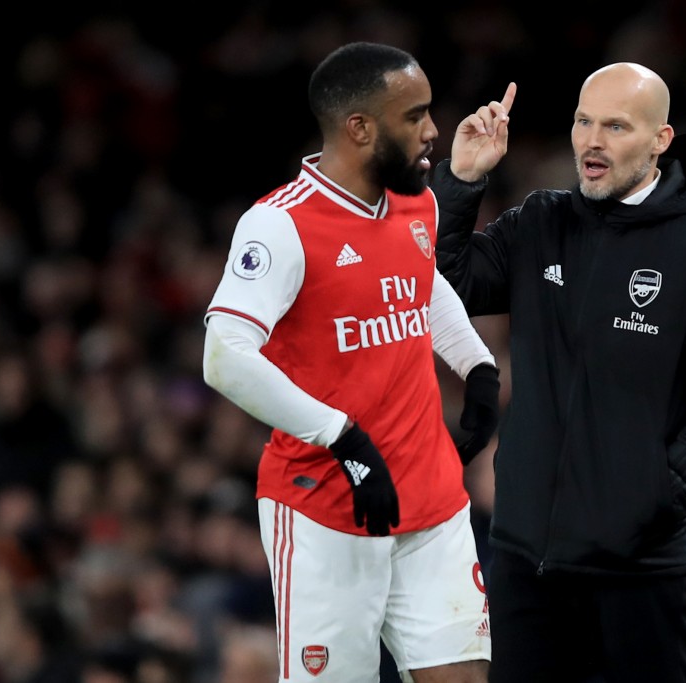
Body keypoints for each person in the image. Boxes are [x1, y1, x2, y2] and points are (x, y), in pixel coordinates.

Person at [432, 63, 686, 681]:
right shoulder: (541, 222)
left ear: (660, 141)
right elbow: (444, 287)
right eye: (584, 121)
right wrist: (460, 182)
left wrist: (648, 502)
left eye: (615, 126)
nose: (592, 140)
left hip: (637, 572)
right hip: (523, 558)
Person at [202, 42, 500, 683]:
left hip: (431, 499)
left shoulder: (416, 200)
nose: (432, 131)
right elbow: (224, 356)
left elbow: (420, 280)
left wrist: (477, 367)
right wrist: (342, 438)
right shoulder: (278, 226)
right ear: (358, 127)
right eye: (415, 116)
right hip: (326, 510)